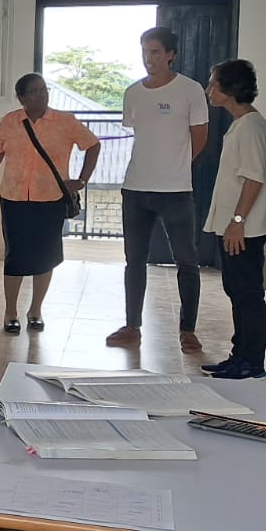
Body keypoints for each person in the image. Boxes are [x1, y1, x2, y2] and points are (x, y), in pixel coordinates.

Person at [0, 74, 101, 334]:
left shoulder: (65, 121)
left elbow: (93, 145)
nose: (42, 95)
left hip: (50, 199)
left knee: (45, 256)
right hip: (14, 198)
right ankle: (10, 312)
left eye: (44, 90)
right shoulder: (10, 121)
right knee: (15, 256)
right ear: (22, 97)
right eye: (35, 91)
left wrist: (82, 179)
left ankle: (35, 310)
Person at [107, 26, 209, 353]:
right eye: (144, 52)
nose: (148, 58)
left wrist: (177, 167)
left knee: (187, 261)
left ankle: (187, 330)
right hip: (136, 188)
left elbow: (200, 137)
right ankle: (132, 326)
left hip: (176, 191)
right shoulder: (133, 93)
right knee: (134, 260)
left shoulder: (190, 90)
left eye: (155, 52)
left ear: (170, 54)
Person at [200, 60, 266, 379]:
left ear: (230, 89)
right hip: (237, 226)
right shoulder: (241, 123)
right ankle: (239, 355)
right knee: (237, 290)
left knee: (247, 293)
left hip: (245, 228)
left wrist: (237, 221)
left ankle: (252, 363)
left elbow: (254, 178)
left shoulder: (250, 126)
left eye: (213, 83)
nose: (208, 89)